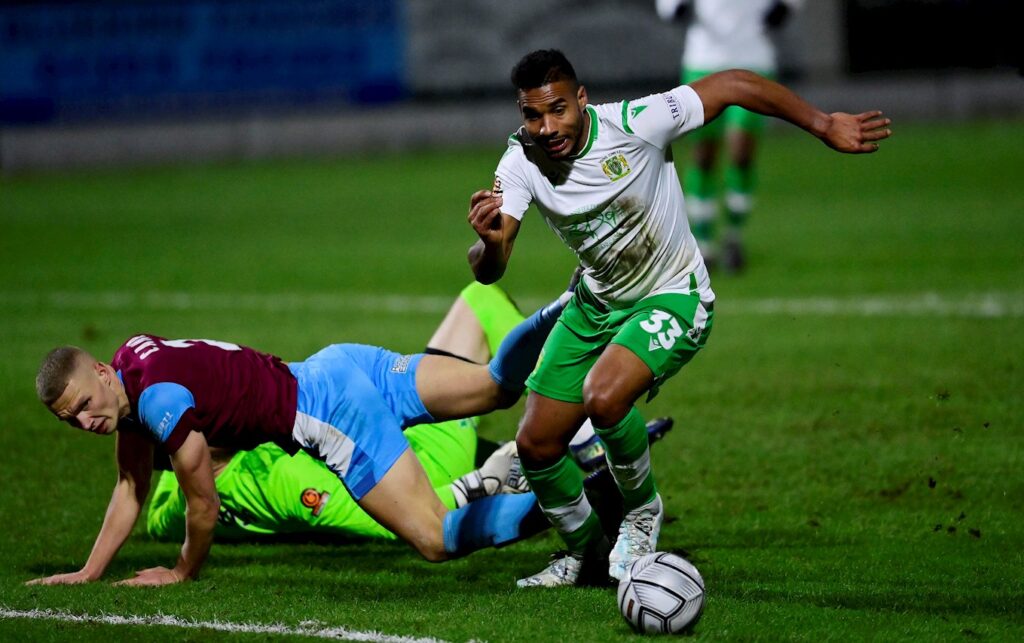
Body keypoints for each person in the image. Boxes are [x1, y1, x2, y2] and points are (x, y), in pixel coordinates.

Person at [466, 49, 890, 586]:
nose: (547, 127)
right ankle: (585, 553)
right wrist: (487, 242)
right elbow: (490, 269)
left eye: (558, 109)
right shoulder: (519, 164)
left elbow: (733, 83)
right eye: (533, 115)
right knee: (536, 446)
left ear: (582, 100)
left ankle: (641, 513)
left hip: (672, 295)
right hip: (596, 304)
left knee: (604, 397)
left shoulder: (637, 123)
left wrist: (823, 122)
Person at [27, 281, 573, 587]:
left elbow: (203, 504)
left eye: (81, 406)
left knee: (433, 537)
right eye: (68, 419)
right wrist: (89, 572)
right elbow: (130, 484)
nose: (82, 422)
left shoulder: (157, 402)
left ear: (100, 372)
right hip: (339, 364)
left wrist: (180, 571)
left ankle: (569, 500)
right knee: (497, 385)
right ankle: (576, 305)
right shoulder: (131, 363)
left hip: (326, 410)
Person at [145, 282, 676, 543]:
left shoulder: (194, 478)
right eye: (200, 416)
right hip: (424, 458)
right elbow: (381, 519)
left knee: (480, 301)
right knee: (434, 529)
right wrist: (479, 486)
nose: (212, 406)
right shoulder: (272, 481)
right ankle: (580, 487)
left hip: (352, 399)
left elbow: (164, 511)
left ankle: (577, 430)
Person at [656, 0, 803, 271]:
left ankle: (734, 236)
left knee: (741, 150)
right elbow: (669, 7)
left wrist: (787, 7)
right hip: (704, 60)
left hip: (753, 59)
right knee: (704, 155)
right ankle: (704, 244)